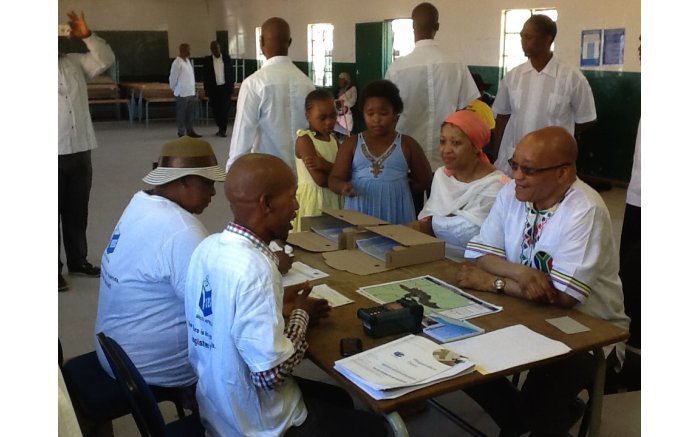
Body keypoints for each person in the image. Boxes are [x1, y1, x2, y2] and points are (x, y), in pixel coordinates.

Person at [185, 153, 388, 437]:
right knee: (382, 429)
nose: (296, 206)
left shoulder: (207, 248)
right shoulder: (255, 267)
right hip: (259, 425)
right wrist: (301, 314)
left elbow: (225, 314)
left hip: (218, 409)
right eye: (291, 197)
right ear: (266, 203)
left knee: (339, 399)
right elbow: (272, 374)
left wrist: (281, 305)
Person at [456, 126, 629, 437]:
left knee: (538, 401)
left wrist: (493, 282)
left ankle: (535, 421)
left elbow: (562, 297)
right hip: (522, 311)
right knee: (459, 354)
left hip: (588, 328)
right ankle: (533, 421)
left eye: (529, 170)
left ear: (562, 173)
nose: (517, 175)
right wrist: (522, 274)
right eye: (514, 164)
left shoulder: (584, 210)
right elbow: (482, 255)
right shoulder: (511, 192)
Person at [94, 136, 226, 400]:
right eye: (208, 183)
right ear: (183, 180)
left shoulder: (140, 202)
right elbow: (217, 313)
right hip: (147, 370)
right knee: (238, 353)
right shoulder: (183, 230)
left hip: (112, 350)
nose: (213, 193)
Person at [491, 14, 596, 176]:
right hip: (516, 160)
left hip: (552, 162)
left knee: (549, 200)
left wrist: (559, 136)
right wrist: (497, 155)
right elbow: (502, 118)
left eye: (528, 37)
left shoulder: (572, 78)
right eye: (522, 36)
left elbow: (586, 119)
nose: (523, 42)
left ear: (548, 39)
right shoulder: (513, 76)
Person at [384, 2, 480, 173]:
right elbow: (464, 113)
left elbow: (389, 114)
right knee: (441, 198)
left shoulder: (397, 69)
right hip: (448, 155)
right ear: (437, 26)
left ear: (413, 26)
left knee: (412, 198)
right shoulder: (456, 65)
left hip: (407, 153)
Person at [58, 10, 115, 292]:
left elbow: (106, 59)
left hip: (81, 149)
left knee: (77, 211)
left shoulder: (75, 62)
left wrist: (88, 36)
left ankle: (78, 260)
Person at [328, 79, 432, 224]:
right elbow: (334, 179)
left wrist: (398, 188)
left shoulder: (407, 144)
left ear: (395, 115)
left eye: (383, 113)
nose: (376, 119)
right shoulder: (351, 143)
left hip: (396, 210)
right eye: (370, 114)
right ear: (363, 114)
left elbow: (424, 180)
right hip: (359, 208)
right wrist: (343, 187)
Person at [409, 110, 507, 257]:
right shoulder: (442, 177)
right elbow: (429, 225)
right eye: (442, 141)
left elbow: (496, 246)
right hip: (438, 262)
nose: (446, 150)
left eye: (456, 143)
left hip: (479, 270)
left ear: (475, 146)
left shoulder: (497, 187)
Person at [227, 17, 315, 172]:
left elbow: (243, 136)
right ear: (290, 42)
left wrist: (233, 173)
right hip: (305, 175)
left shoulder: (253, 84)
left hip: (269, 174)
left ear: (261, 42)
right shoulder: (307, 83)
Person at [293, 89, 343, 232]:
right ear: (308, 116)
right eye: (322, 118)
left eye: (333, 116)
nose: (329, 122)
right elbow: (320, 180)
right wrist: (338, 179)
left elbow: (345, 172)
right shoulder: (304, 140)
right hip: (314, 202)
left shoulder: (334, 140)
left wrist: (325, 165)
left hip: (334, 200)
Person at [203, 41, 235, 137]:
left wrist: (231, 87)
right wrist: (207, 91)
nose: (215, 50)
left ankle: (223, 130)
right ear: (211, 50)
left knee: (224, 109)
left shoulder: (226, 58)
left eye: (216, 48)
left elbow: (231, 73)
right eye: (213, 49)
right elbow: (205, 77)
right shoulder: (207, 60)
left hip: (225, 88)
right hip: (214, 89)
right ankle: (220, 127)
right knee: (216, 110)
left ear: (219, 48)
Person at [169, 43, 201, 138]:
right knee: (182, 113)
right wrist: (174, 89)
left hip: (190, 92)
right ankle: (181, 132)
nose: (190, 51)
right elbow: (173, 78)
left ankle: (190, 131)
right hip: (181, 93)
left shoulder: (187, 61)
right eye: (188, 49)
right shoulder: (177, 63)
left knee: (190, 114)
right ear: (182, 50)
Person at [334, 72, 357, 141]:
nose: (339, 82)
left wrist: (343, 103)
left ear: (346, 80)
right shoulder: (337, 90)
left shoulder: (352, 89)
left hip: (346, 114)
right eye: (339, 80)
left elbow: (352, 102)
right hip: (338, 113)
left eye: (341, 80)